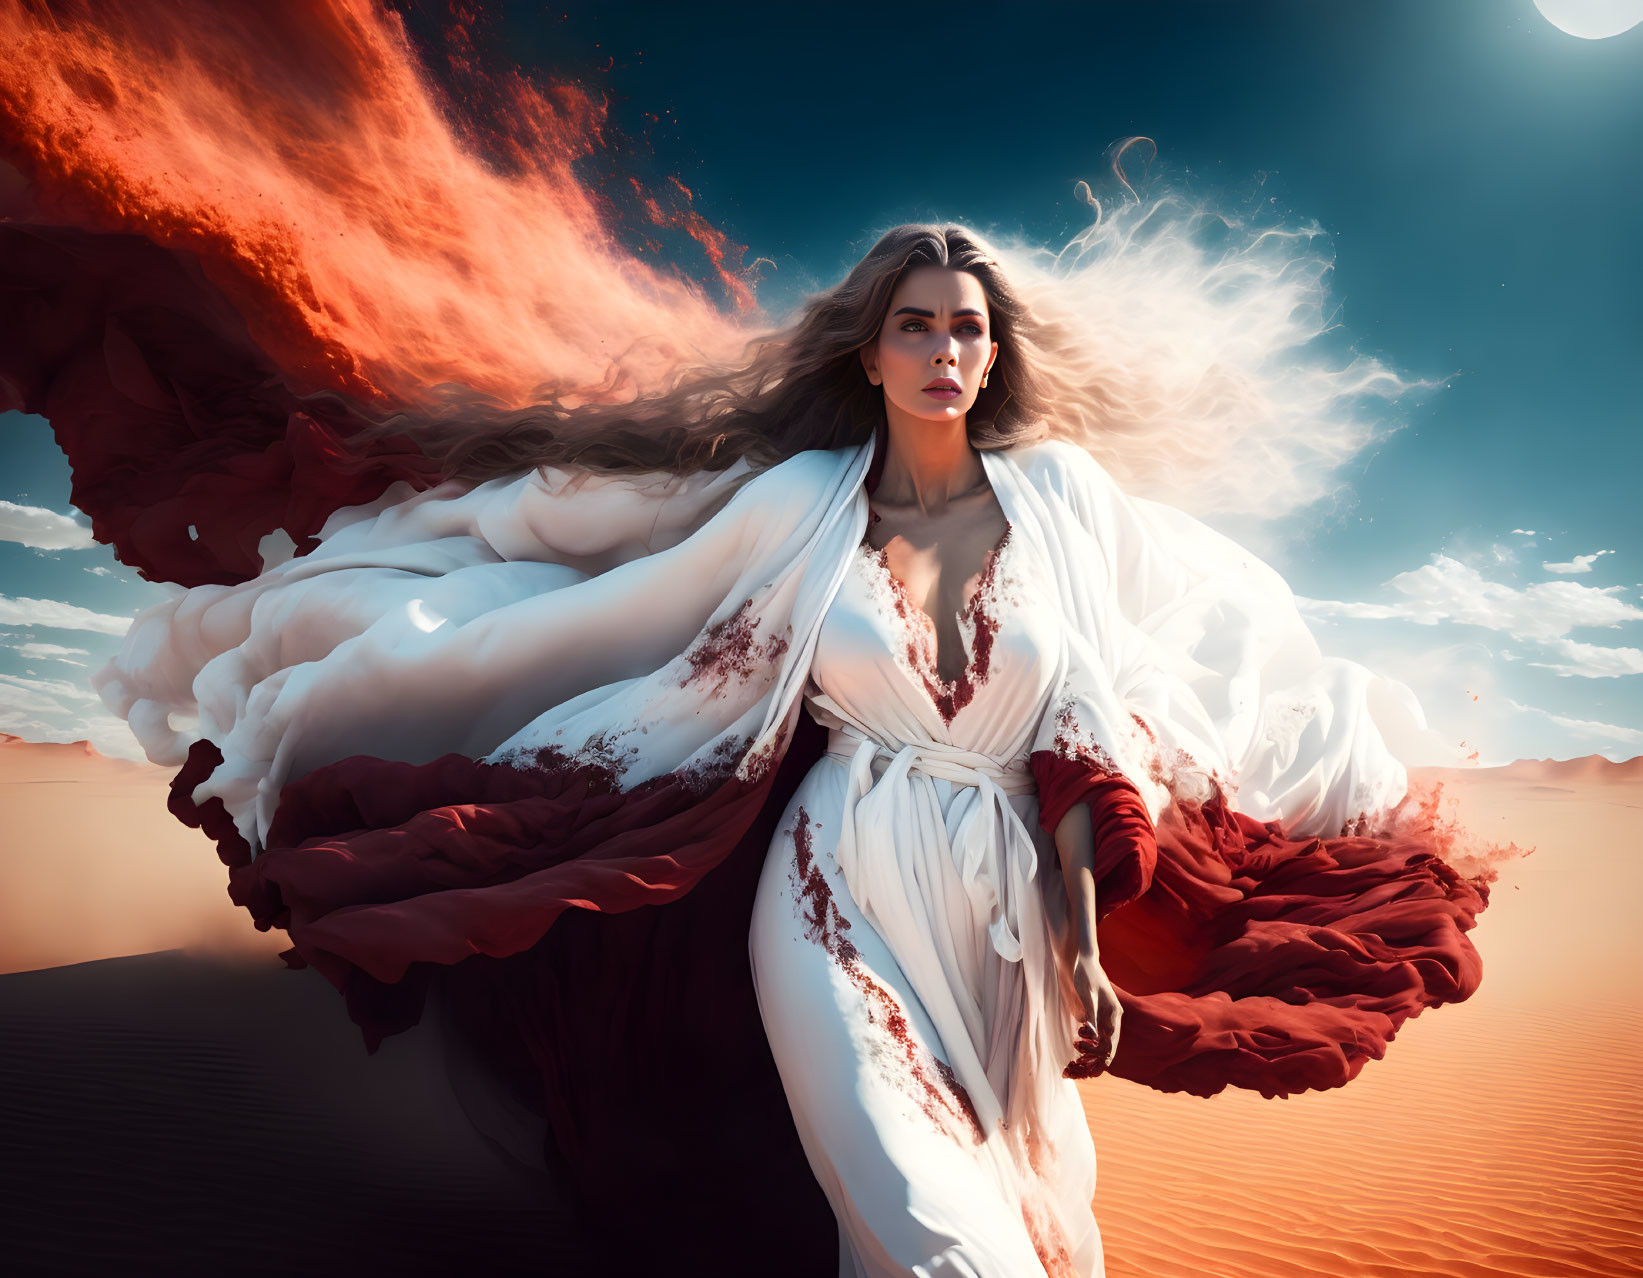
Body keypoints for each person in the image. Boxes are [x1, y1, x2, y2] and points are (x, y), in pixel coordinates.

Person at [15, 219, 1490, 1278]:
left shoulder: (1062, 506)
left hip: (1006, 916)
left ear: (997, 351)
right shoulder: (793, 500)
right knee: (915, 1211)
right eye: (915, 321)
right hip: (836, 878)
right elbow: (609, 588)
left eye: (967, 325)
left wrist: (1089, 940)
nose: (943, 347)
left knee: (1030, 1212)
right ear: (868, 346)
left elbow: (1085, 725)